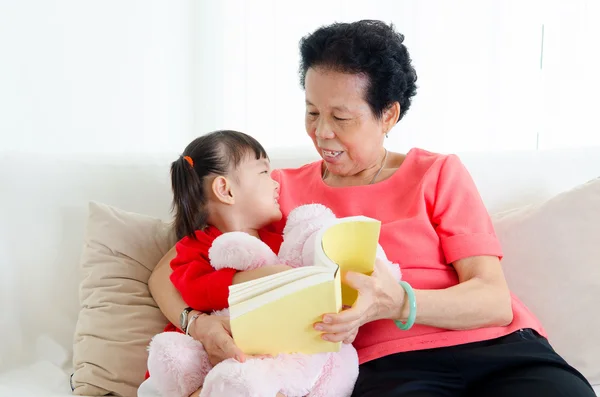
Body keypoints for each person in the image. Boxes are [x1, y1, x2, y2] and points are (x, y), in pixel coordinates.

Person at [146, 20, 595, 397]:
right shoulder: (276, 189)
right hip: (388, 368)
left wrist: (396, 301)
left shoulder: (437, 173)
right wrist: (197, 326)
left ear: (388, 115)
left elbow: (493, 299)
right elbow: (168, 272)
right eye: (311, 112)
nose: (321, 133)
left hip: (502, 350)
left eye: (341, 118)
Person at [146, 130, 291, 397]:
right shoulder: (198, 245)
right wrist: (264, 278)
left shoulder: (280, 242)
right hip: (192, 368)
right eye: (263, 173)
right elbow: (196, 289)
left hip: (255, 365)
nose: (276, 182)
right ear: (225, 189)